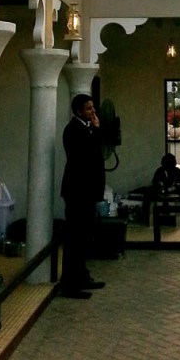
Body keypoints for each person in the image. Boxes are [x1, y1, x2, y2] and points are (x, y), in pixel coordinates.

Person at [60, 94, 106, 299]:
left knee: (84, 236)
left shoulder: (85, 128)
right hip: (78, 192)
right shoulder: (73, 130)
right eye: (88, 109)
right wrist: (96, 131)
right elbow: (87, 154)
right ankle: (70, 283)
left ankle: (81, 275)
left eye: (93, 108)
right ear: (78, 111)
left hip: (86, 192)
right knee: (75, 237)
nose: (93, 112)